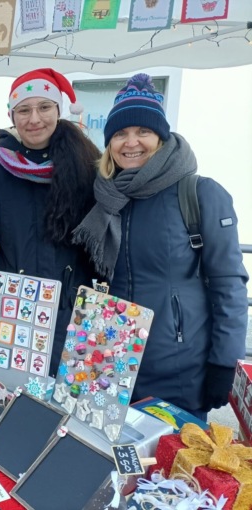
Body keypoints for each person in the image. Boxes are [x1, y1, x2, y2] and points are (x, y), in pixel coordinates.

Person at [72, 73, 248, 419]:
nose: (131, 142)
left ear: (161, 138)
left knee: (174, 454)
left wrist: (224, 362)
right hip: (108, 365)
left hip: (177, 368)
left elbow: (229, 284)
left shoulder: (200, 194)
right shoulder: (105, 197)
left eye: (143, 131)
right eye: (120, 133)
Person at [0, 68, 100, 374]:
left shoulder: (87, 167)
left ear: (58, 110)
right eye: (24, 110)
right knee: (11, 395)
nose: (34, 119)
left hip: (74, 311)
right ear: (11, 116)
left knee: (68, 396)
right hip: (13, 312)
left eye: (44, 107)